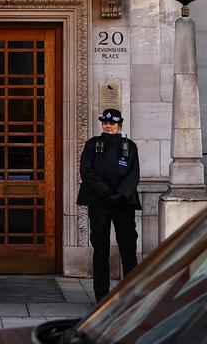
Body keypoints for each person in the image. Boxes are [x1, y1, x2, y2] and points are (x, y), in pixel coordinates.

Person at [76, 108, 141, 303]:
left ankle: (132, 294)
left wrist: (121, 194)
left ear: (119, 125)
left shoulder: (130, 146)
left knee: (128, 248)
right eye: (105, 122)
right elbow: (86, 172)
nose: (108, 125)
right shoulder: (92, 145)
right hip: (99, 202)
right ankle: (101, 296)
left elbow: (134, 174)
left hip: (123, 203)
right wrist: (105, 192)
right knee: (101, 249)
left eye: (112, 123)